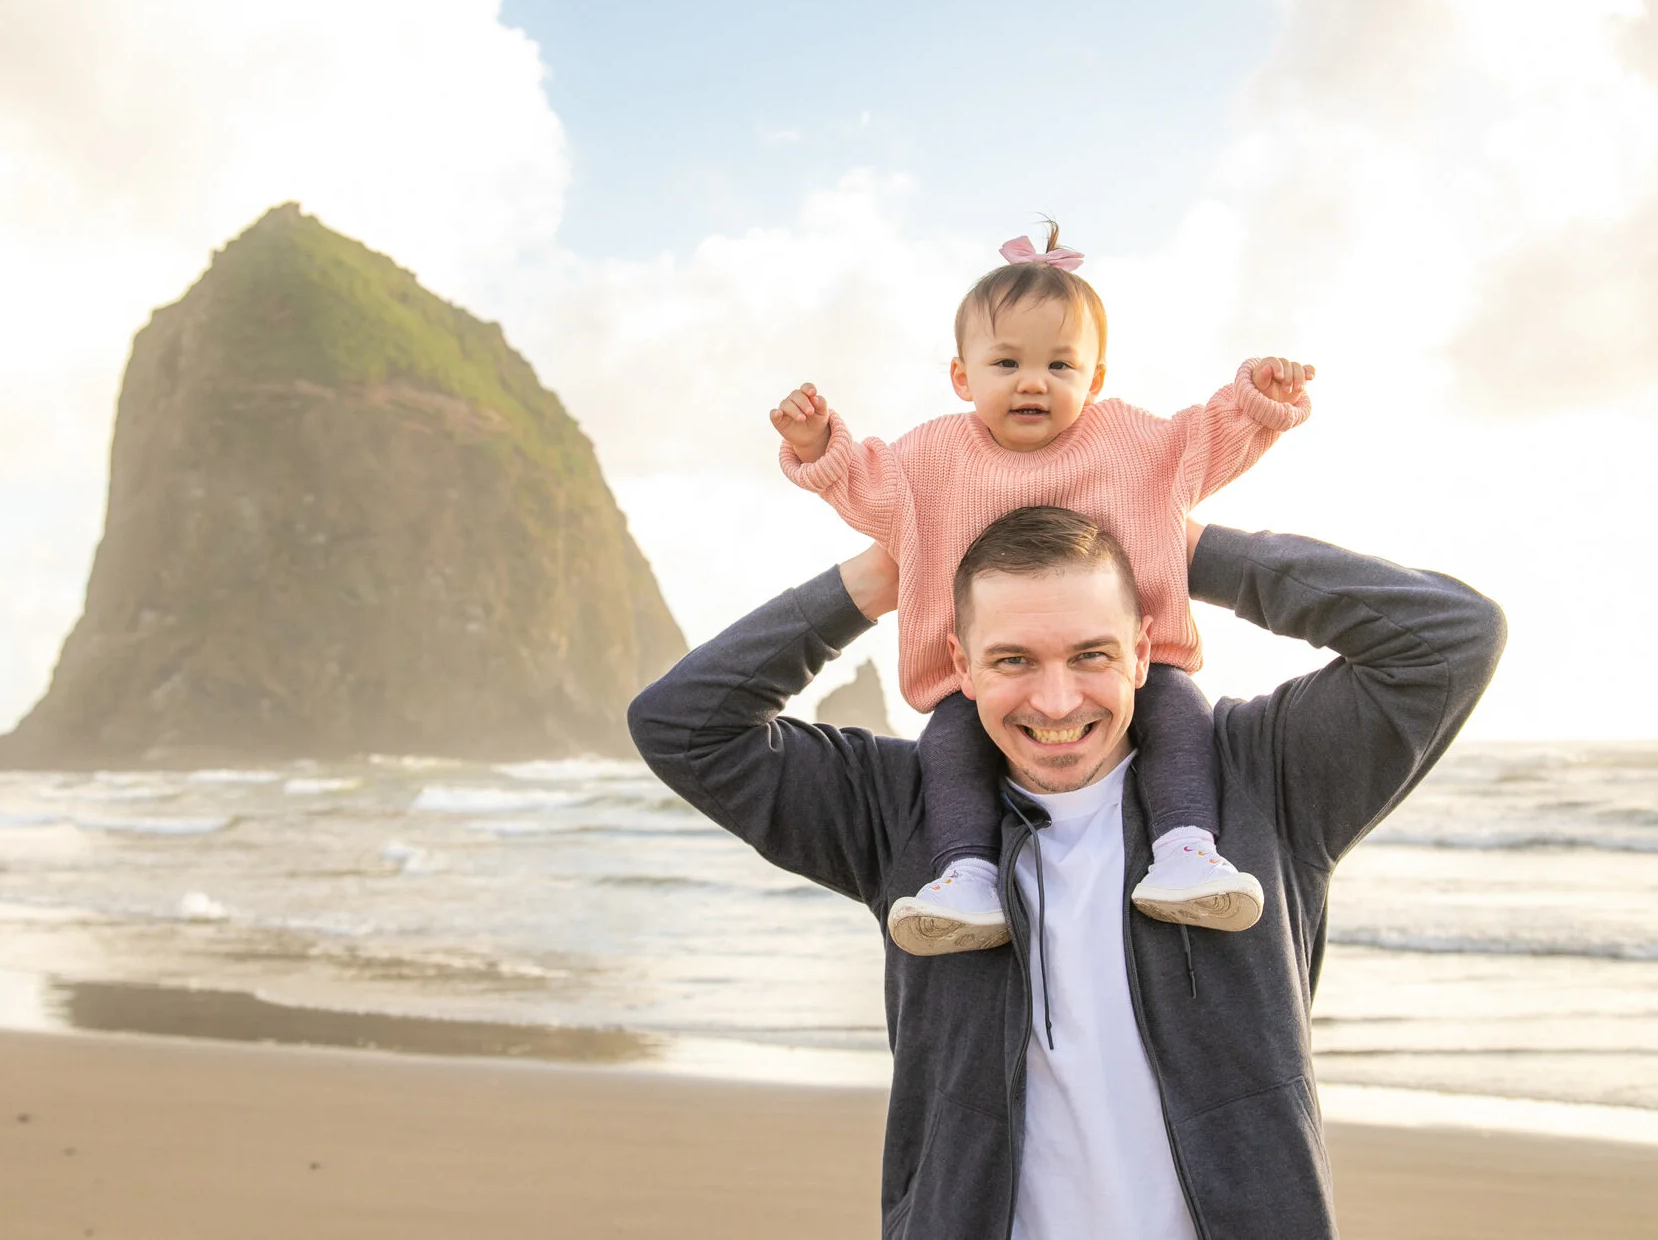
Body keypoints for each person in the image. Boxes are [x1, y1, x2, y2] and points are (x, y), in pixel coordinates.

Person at [628, 507, 1504, 1238]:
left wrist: (1191, 548)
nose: (1055, 702)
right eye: (1013, 659)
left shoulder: (1266, 778)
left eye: (1091, 652)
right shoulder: (899, 809)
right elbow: (682, 723)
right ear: (960, 664)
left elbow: (1451, 637)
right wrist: (877, 577)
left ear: (1142, 648)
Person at [771, 224, 1313, 952]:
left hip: (1132, 664)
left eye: (1061, 364)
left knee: (1181, 717)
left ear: (1094, 380)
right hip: (978, 681)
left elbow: (1205, 440)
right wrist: (817, 445)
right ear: (963, 377)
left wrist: (1258, 401)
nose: (1034, 381)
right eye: (1007, 362)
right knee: (950, 748)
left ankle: (1186, 850)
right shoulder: (931, 458)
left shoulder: (1132, 444)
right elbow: (862, 483)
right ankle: (965, 873)